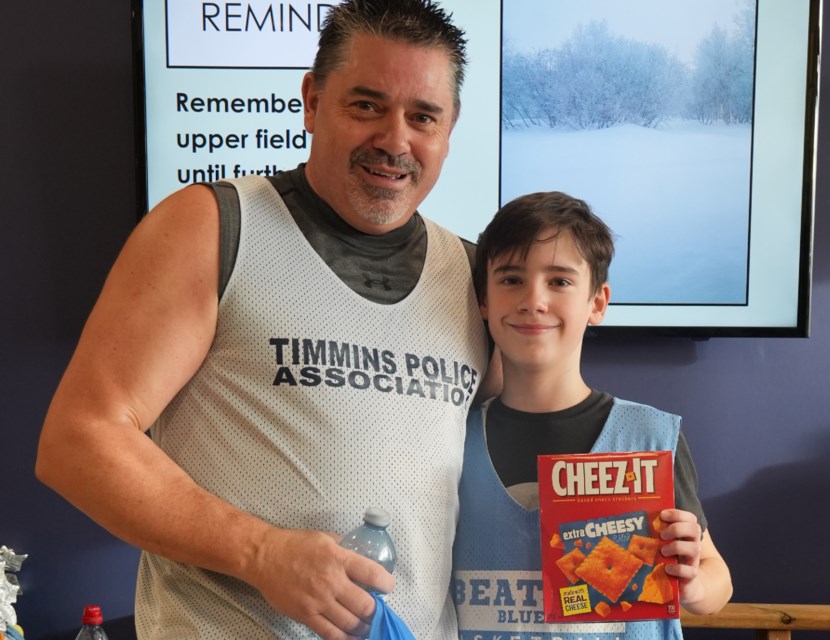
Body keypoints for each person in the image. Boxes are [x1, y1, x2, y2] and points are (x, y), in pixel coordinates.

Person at [35, 1, 496, 638]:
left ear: (450, 129)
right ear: (311, 100)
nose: (395, 140)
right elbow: (78, 441)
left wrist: (673, 553)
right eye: (366, 106)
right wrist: (260, 553)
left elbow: (526, 463)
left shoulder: (474, 279)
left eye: (422, 117)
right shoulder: (210, 226)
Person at [452, 192, 733, 638]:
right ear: (483, 300)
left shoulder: (648, 436)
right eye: (510, 280)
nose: (533, 300)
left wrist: (694, 583)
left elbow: (718, 577)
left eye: (559, 281)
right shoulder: (452, 437)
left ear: (597, 303)